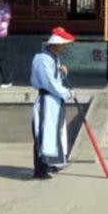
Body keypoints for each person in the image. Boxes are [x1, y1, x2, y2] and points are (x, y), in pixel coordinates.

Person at [30, 27, 75, 179]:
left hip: (56, 101)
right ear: (56, 44)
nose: (64, 47)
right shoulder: (42, 59)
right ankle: (40, 169)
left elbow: (56, 80)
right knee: (44, 133)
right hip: (47, 101)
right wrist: (68, 93)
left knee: (55, 133)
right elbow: (49, 83)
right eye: (63, 44)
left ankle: (51, 164)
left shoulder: (54, 58)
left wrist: (62, 73)